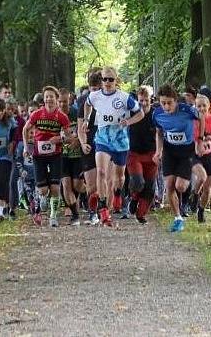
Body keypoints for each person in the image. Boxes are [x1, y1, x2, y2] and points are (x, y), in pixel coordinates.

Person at [81, 66, 144, 226]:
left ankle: (117, 193)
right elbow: (87, 105)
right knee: (101, 172)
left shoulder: (124, 97)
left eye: (111, 79)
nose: (107, 82)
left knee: (119, 177)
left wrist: (128, 122)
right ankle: (102, 206)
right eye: (104, 79)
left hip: (120, 141)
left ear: (116, 81)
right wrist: (87, 119)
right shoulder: (94, 96)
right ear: (101, 80)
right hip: (102, 138)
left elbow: (141, 113)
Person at [152, 84, 203, 233]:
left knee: (181, 186)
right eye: (163, 103)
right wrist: (158, 151)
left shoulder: (187, 110)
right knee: (169, 185)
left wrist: (199, 140)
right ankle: (178, 218)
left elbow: (202, 118)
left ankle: (193, 196)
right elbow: (159, 132)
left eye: (169, 103)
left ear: (175, 101)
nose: (166, 107)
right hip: (169, 151)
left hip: (186, 152)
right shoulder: (157, 114)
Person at [23, 86, 70, 227]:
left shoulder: (62, 117)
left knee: (55, 188)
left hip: (55, 155)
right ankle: (42, 198)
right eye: (46, 97)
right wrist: (26, 147)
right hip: (39, 155)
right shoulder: (37, 114)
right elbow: (26, 129)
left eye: (51, 97)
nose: (49, 99)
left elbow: (69, 137)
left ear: (56, 99)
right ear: (43, 99)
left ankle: (53, 216)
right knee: (43, 189)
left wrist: (60, 139)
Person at [126, 86, 158, 224]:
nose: (143, 104)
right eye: (140, 101)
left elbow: (161, 133)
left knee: (149, 188)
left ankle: (141, 214)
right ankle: (133, 197)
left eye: (146, 100)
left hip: (151, 154)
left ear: (151, 100)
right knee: (138, 182)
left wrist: (160, 152)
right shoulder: (131, 113)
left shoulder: (156, 115)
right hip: (134, 154)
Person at [77, 70, 103, 225]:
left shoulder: (107, 104)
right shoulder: (84, 104)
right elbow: (80, 128)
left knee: (105, 180)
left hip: (105, 146)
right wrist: (82, 142)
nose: (94, 93)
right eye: (92, 90)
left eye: (97, 90)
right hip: (89, 147)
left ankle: (104, 209)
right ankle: (93, 212)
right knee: (91, 184)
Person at [191, 94, 211, 223]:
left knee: (208, 186)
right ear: (195, 107)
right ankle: (195, 194)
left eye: (204, 106)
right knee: (201, 177)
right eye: (199, 106)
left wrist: (208, 138)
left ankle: (201, 210)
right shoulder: (192, 121)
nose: (202, 108)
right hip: (195, 155)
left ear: (209, 106)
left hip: (209, 154)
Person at [59, 88, 84, 226]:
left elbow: (84, 131)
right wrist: (63, 140)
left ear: (70, 100)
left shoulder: (76, 113)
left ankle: (75, 202)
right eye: (60, 101)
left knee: (78, 186)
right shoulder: (55, 116)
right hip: (62, 155)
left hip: (77, 155)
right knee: (66, 184)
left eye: (65, 101)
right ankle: (75, 214)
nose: (63, 104)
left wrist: (78, 141)